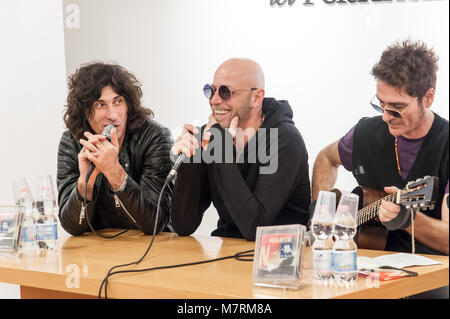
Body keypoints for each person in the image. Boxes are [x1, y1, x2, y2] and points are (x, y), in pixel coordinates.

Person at [170, 58, 311, 241]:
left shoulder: (285, 140)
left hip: (279, 254)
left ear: (256, 98)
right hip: (229, 250)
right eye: (211, 90)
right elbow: (182, 225)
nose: (214, 100)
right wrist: (189, 159)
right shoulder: (212, 136)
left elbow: (255, 228)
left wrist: (221, 152)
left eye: (226, 92)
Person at [57, 62, 173, 236]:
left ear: (128, 105)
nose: (112, 115)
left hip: (152, 250)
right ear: (84, 111)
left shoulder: (154, 136)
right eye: (100, 105)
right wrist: (85, 184)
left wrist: (114, 172)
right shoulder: (72, 142)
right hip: (99, 252)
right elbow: (72, 226)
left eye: (118, 102)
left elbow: (155, 222)